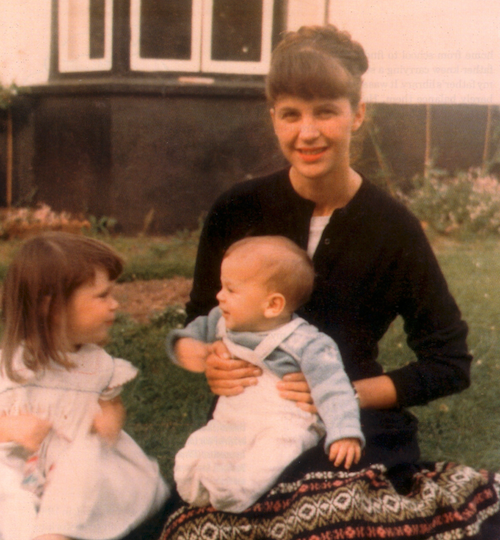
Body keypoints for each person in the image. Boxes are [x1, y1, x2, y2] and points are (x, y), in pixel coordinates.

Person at [160, 24, 500, 539]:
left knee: (327, 522)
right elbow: (198, 320)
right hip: (248, 424)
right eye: (291, 114)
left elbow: (449, 364)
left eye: (326, 111)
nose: (308, 132)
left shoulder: (393, 227)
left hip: (353, 430)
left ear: (357, 113)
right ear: (273, 117)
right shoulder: (237, 209)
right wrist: (205, 361)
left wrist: (343, 394)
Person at [167, 236, 363, 512]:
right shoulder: (220, 320)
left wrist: (344, 432)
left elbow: (335, 388)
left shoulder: (307, 343)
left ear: (272, 305)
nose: (219, 295)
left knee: (267, 459)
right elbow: (188, 337)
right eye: (222, 286)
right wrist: (194, 351)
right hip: (232, 419)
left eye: (231, 290)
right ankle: (199, 485)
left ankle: (233, 495)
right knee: (200, 449)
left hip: (283, 424)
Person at [0, 232, 169, 540]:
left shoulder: (99, 365)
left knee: (78, 472)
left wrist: (109, 419)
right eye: (102, 296)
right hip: (22, 464)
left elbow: (110, 403)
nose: (114, 304)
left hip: (81, 462)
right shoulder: (10, 366)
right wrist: (11, 427)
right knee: (9, 492)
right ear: (50, 306)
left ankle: (55, 534)